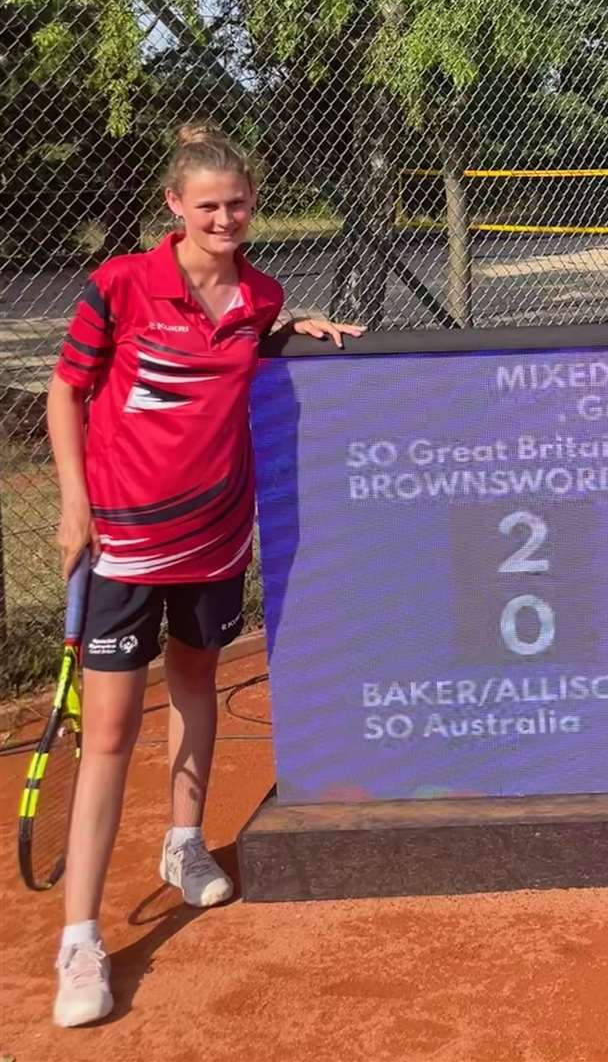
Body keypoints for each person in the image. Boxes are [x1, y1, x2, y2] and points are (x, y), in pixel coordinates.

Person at [46, 125, 364, 1027]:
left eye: (239, 203)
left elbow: (258, 337)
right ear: (175, 206)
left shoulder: (259, 293)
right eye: (209, 204)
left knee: (196, 685)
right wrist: (76, 506)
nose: (225, 217)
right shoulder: (120, 287)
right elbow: (64, 392)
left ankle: (183, 844)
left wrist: (291, 322)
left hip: (218, 542)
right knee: (107, 733)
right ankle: (82, 940)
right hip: (124, 548)